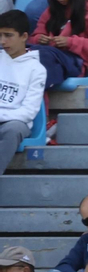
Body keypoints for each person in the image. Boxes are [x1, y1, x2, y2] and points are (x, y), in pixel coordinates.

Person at [0, 10, 45, 177]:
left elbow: (28, 112)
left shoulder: (37, 69)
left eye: (8, 35)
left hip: (15, 122)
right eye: (0, 36)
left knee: (13, 130)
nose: (3, 41)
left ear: (24, 36)